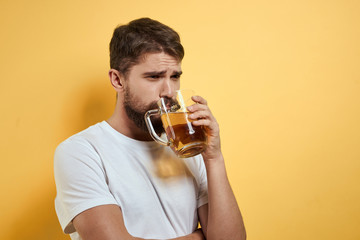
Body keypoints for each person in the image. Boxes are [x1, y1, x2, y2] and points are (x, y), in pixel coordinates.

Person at [54, 17, 246, 240]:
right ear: (118, 80)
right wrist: (198, 237)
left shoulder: (188, 147)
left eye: (174, 76)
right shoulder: (82, 151)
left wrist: (214, 158)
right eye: (154, 77)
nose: (168, 91)